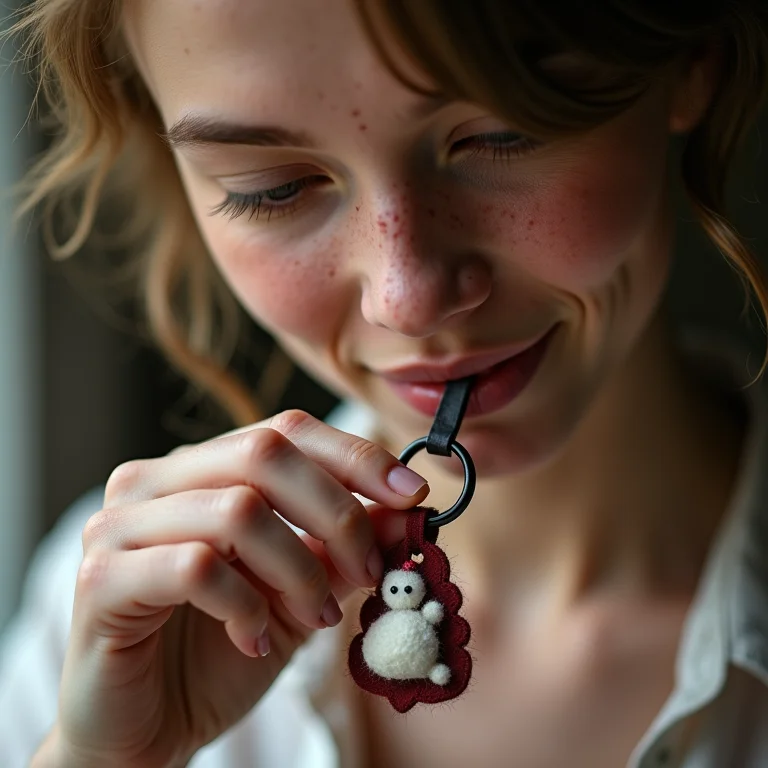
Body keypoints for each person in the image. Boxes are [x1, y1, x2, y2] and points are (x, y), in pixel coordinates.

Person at [1, 0, 768, 766]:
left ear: (691, 61)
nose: (408, 300)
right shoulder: (106, 624)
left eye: (502, 134)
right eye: (272, 187)